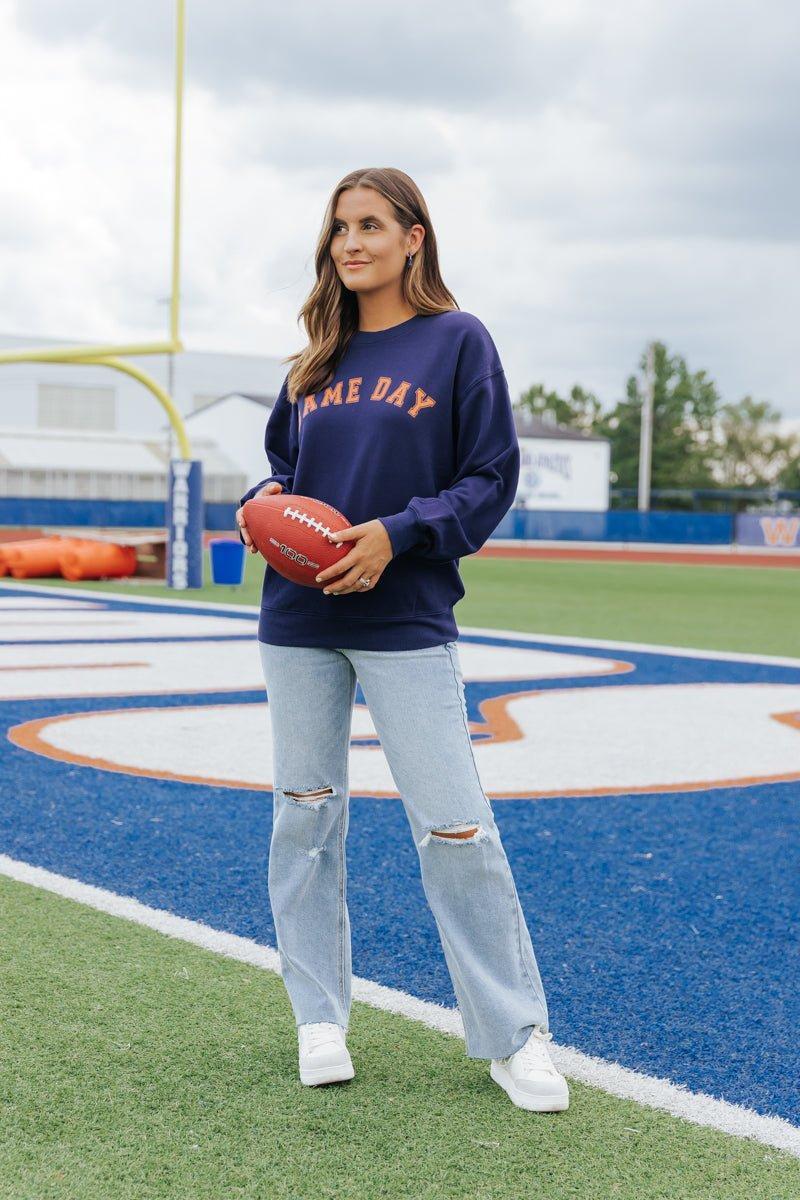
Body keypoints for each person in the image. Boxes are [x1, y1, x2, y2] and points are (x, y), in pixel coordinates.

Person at [236, 167, 569, 1113]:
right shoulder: (313, 359)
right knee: (305, 818)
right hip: (298, 621)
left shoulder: (458, 342)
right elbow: (280, 474)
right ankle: (319, 1017)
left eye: (372, 225)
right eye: (340, 227)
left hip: (405, 614)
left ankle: (513, 1035)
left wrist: (399, 533)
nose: (352, 243)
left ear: (414, 237)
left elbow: (491, 475)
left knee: (456, 826)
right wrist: (263, 505)